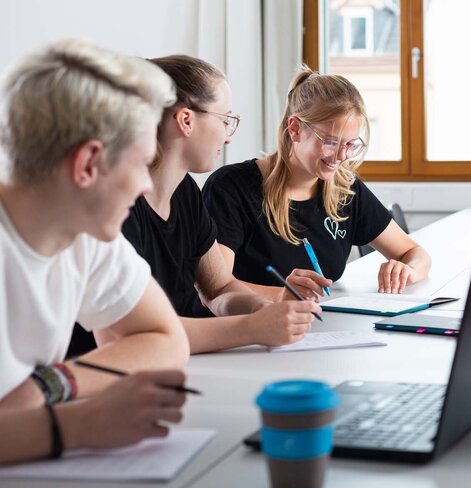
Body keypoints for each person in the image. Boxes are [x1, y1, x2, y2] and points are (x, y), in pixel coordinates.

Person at [0, 39, 190, 464]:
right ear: (88, 164)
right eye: (142, 163)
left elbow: (165, 339)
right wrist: (81, 425)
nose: (146, 184)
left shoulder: (82, 231)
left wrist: (51, 383)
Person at [119, 55, 322, 354]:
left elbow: (219, 289)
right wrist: (252, 328)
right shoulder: (118, 207)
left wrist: (264, 309)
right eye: (225, 120)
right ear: (186, 120)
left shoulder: (186, 192)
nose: (227, 138)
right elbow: (143, 332)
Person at [202, 68, 431, 297]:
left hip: (320, 326)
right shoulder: (231, 188)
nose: (342, 156)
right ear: (295, 129)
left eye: (351, 144)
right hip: (251, 326)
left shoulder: (345, 189)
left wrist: (406, 271)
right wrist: (285, 296)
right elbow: (215, 288)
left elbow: (415, 253)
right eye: (330, 142)